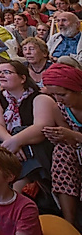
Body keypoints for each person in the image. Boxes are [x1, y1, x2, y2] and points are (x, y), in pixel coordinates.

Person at [0, 61, 56, 164]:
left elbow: (41, 127)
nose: (1, 75)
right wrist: (10, 143)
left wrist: (16, 141)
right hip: (5, 144)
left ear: (22, 78)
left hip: (36, 147)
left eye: (6, 72)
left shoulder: (41, 98)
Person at [40, 62, 82, 227]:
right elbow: (71, 141)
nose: (58, 99)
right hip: (77, 150)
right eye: (54, 95)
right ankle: (69, 221)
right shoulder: (59, 109)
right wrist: (59, 136)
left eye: (62, 94)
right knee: (61, 152)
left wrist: (74, 135)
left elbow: (73, 136)